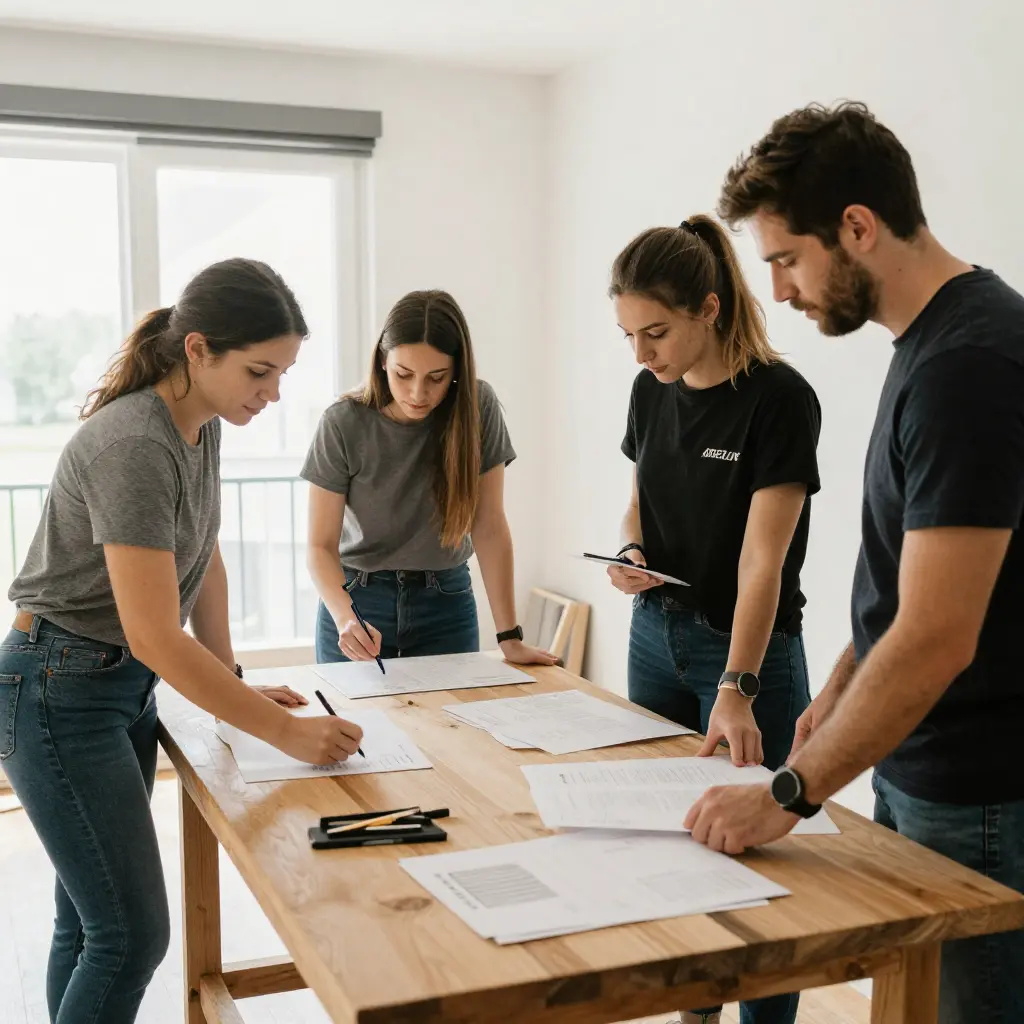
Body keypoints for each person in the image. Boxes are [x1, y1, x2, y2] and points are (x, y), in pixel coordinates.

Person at [685, 101, 1024, 1024]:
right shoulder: (936, 345)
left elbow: (938, 636)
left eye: (787, 260)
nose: (783, 291)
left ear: (858, 228)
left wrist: (787, 795)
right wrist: (838, 686)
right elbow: (905, 591)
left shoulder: (971, 364)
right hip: (929, 771)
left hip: (980, 792)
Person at [0, 259, 364, 1024]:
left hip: (108, 683)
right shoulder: (132, 443)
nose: (271, 395)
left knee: (91, 920)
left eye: (282, 374)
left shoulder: (196, 426)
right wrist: (285, 733)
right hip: (59, 689)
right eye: (259, 372)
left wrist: (232, 675)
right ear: (197, 349)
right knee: (130, 936)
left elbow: (204, 554)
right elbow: (157, 636)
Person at [608, 215, 821, 1024]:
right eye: (629, 335)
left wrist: (737, 684)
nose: (642, 354)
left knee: (757, 860)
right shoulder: (648, 390)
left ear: (709, 307)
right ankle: (695, 1004)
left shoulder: (780, 399)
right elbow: (640, 497)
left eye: (655, 332)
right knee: (663, 834)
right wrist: (631, 551)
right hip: (653, 636)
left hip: (748, 655)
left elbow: (763, 562)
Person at [304, 289, 555, 668]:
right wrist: (345, 616)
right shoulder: (343, 421)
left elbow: (488, 525)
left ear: (456, 371)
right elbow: (319, 547)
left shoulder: (477, 407)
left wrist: (509, 637)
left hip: (446, 602)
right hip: (357, 600)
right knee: (355, 726)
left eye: (436, 378)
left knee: (454, 724)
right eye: (403, 375)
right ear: (382, 363)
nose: (418, 394)